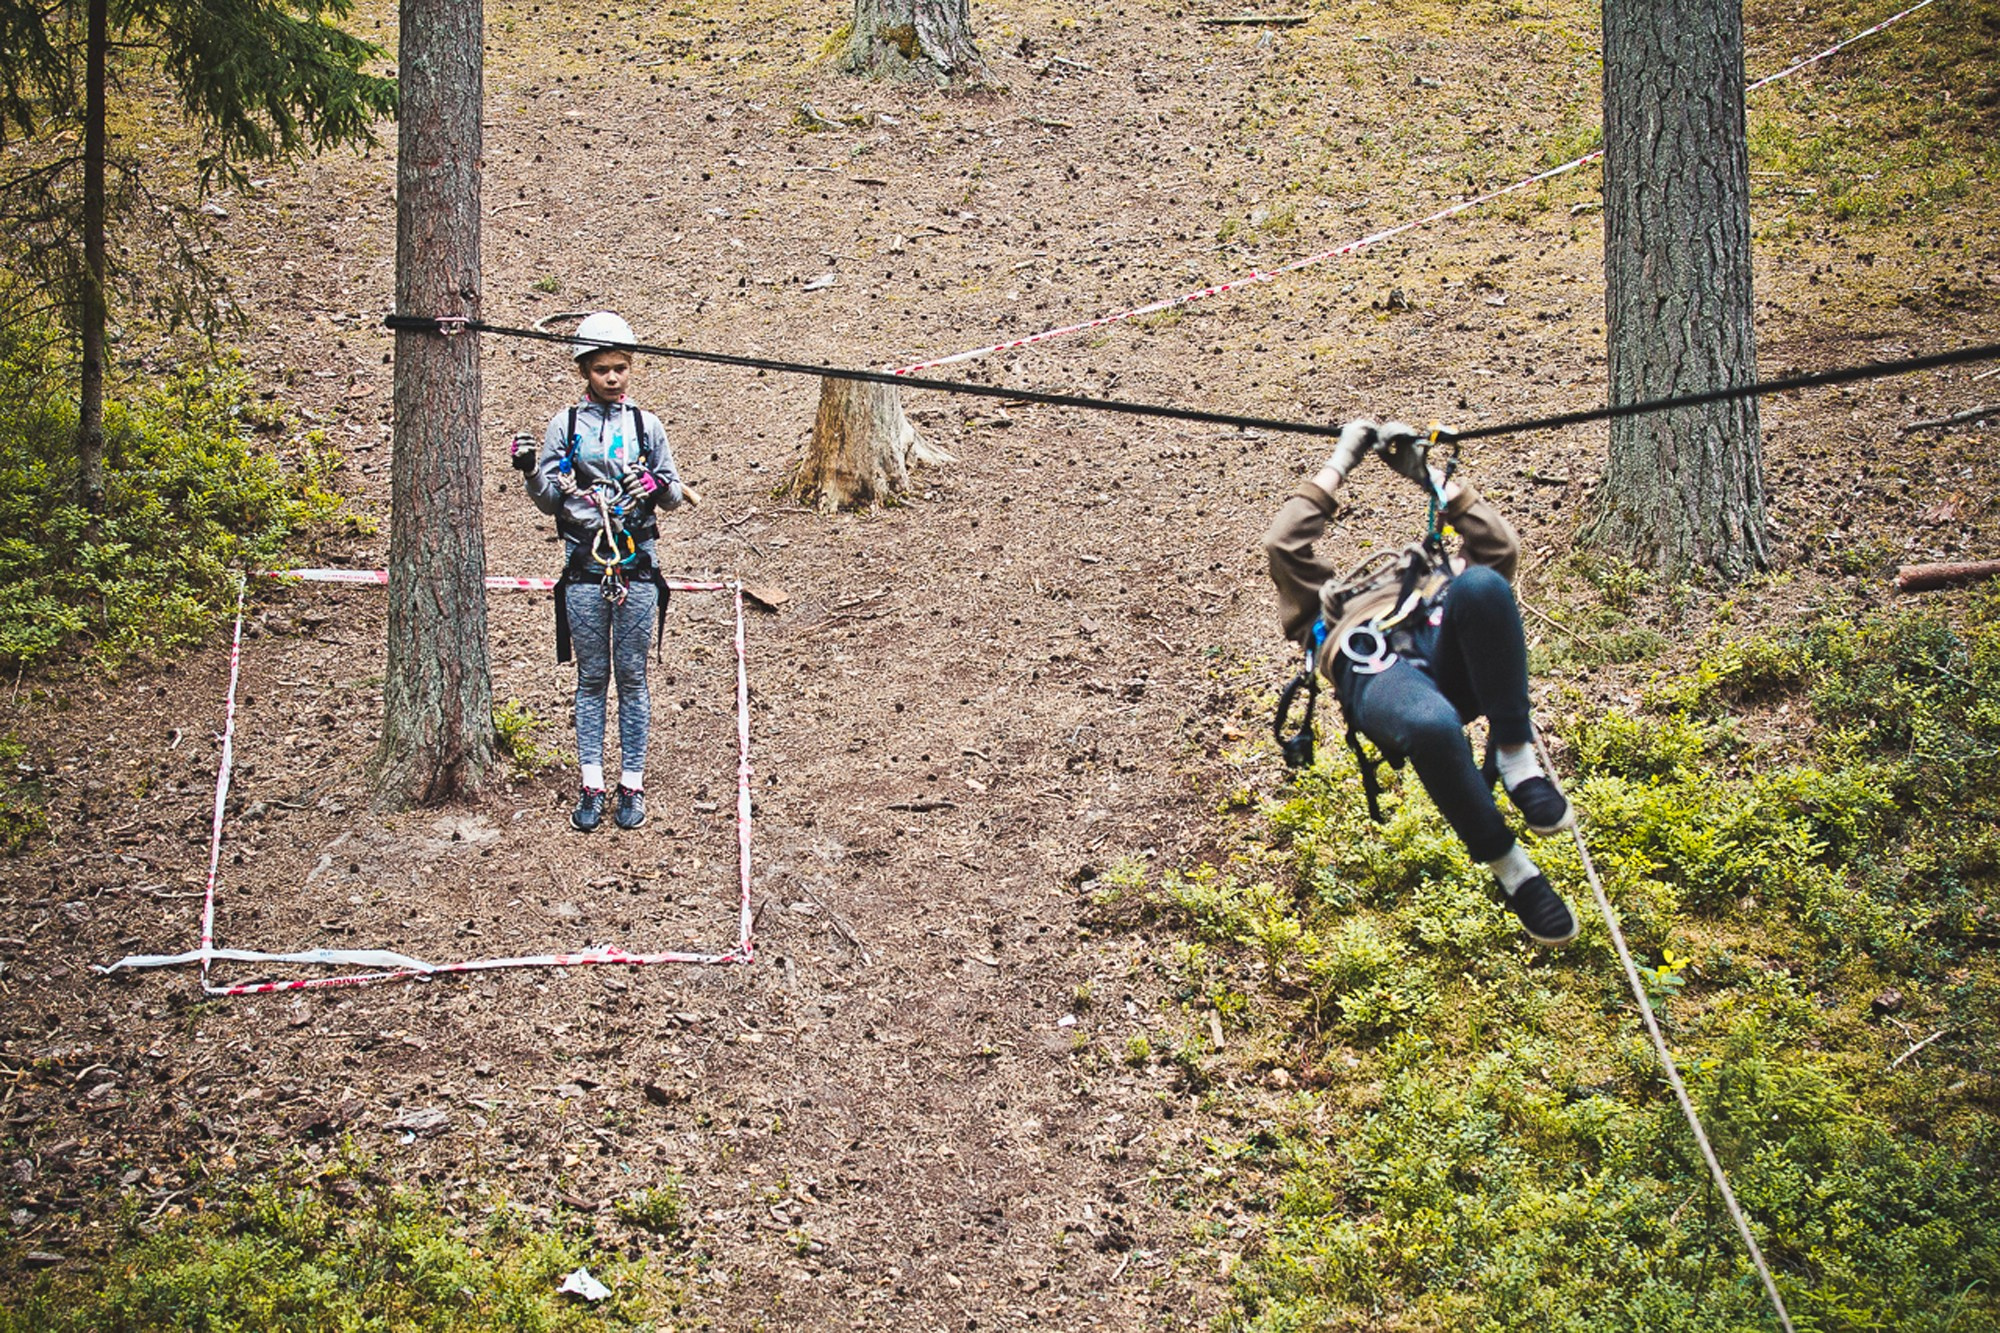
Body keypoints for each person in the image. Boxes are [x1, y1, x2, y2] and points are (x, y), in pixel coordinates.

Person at [1262, 419, 1579, 945]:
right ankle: (1514, 872)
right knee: (1431, 724)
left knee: (1482, 583)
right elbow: (1283, 544)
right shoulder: (1324, 606)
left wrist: (1425, 473)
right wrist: (1341, 462)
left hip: (1454, 657)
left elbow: (1501, 547)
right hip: (1378, 667)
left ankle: (1517, 760)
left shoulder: (1443, 575)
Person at [511, 311, 699, 833]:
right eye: (601, 370)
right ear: (584, 371)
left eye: (620, 367)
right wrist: (531, 471)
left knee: (632, 679)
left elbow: (673, 494)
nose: (612, 378)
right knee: (592, 678)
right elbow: (550, 501)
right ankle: (592, 782)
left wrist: (656, 486)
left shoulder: (647, 426)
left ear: (630, 367)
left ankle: (631, 783)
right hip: (583, 567)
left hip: (638, 566)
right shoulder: (564, 426)